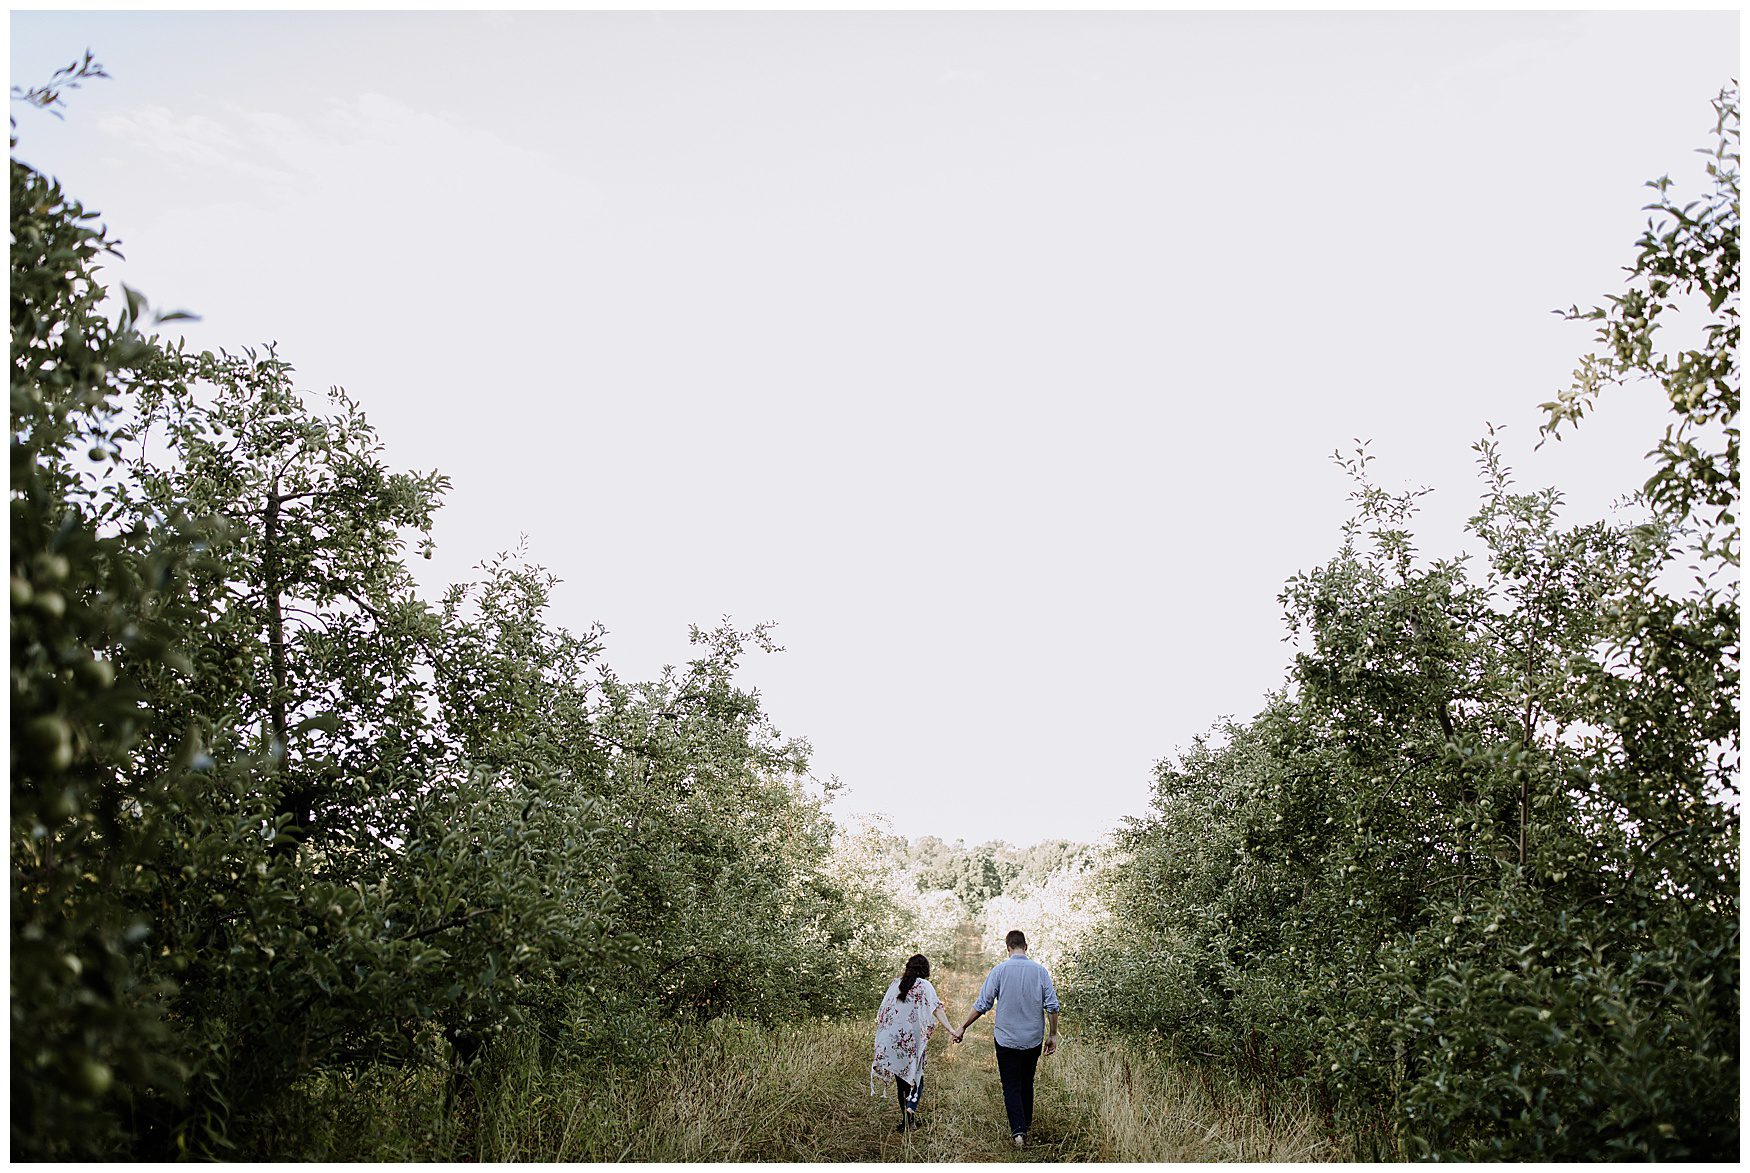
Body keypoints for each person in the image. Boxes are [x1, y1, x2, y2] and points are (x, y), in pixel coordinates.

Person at [953, 929, 1060, 1148]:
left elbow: (983, 1004)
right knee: (1026, 1082)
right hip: (1032, 1038)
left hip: (1006, 1039)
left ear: (1008, 948)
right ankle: (1025, 1124)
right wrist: (1052, 1035)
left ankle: (1018, 1131)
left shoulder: (999, 971)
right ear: (1026, 947)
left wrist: (963, 1026)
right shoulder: (1040, 972)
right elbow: (1052, 1006)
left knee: (1011, 1084)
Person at [870, 953, 959, 1132]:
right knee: (916, 1077)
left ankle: (906, 1118)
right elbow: (937, 1010)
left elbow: (882, 1014)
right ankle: (911, 1109)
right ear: (925, 970)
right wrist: (952, 1030)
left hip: (893, 1041)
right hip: (912, 1042)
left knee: (901, 1080)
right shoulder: (925, 986)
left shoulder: (896, 984)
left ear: (908, 967)